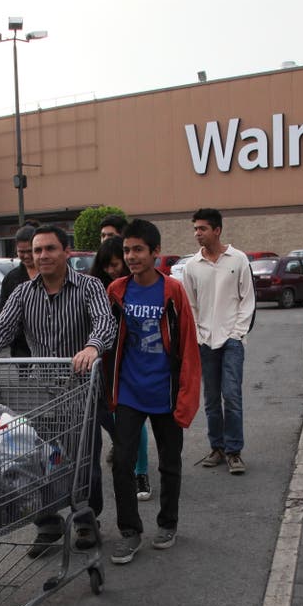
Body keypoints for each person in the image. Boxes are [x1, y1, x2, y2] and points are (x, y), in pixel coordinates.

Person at [0, 225, 117, 556]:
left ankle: (85, 519)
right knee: (35, 457)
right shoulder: (23, 293)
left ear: (66, 252)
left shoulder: (89, 287)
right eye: (37, 251)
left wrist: (92, 347)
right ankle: (46, 522)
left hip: (81, 388)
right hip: (39, 391)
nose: (43, 256)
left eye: (50, 249)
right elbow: (2, 326)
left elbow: (105, 322)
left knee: (81, 459)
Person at [103, 219, 200, 564]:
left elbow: (188, 346)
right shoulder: (117, 290)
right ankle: (130, 531)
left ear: (155, 252)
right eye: (127, 250)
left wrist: (187, 398)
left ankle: (168, 523)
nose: (131, 256)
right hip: (129, 392)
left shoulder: (172, 291)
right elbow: (106, 338)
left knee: (169, 464)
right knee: (122, 464)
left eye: (138, 250)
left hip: (166, 394)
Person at [179, 208, 255, 475]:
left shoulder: (238, 259)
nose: (197, 234)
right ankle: (217, 448)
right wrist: (200, 335)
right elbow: (190, 305)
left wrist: (237, 333)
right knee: (211, 399)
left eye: (202, 229)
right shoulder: (191, 266)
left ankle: (234, 452)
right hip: (205, 342)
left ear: (217, 230)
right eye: (195, 229)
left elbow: (247, 299)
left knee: (231, 396)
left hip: (232, 340)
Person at [89, 237, 152, 501]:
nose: (112, 270)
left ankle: (141, 472)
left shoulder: (134, 288)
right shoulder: (95, 288)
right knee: (110, 418)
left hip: (131, 363)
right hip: (104, 363)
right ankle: (124, 455)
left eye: (115, 264)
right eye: (106, 266)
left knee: (134, 420)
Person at [0, 224, 37, 357]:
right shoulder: (11, 278)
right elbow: (2, 316)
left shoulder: (51, 274)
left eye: (30, 251)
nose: (26, 255)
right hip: (21, 348)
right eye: (21, 252)